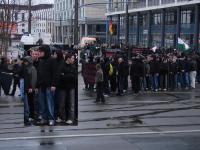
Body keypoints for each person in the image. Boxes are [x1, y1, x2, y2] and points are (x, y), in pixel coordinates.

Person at [37, 45, 56, 126]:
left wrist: (53, 84)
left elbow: (55, 73)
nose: (39, 53)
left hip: (49, 85)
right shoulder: (40, 61)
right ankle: (44, 118)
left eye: (41, 52)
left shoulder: (52, 60)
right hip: (42, 85)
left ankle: (51, 118)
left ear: (45, 52)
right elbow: (39, 74)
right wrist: (37, 85)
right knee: (42, 103)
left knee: (49, 102)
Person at [57, 53, 77, 124]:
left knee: (71, 103)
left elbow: (74, 77)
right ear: (68, 58)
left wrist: (66, 75)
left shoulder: (73, 67)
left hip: (71, 87)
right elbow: (60, 77)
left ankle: (71, 118)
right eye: (72, 58)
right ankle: (63, 117)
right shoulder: (62, 66)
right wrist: (69, 75)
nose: (73, 60)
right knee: (62, 103)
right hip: (63, 87)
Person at [23, 56, 37, 125]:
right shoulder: (27, 68)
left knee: (31, 102)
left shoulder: (32, 68)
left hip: (31, 88)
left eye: (26, 61)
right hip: (28, 88)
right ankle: (30, 115)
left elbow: (33, 79)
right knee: (29, 102)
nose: (25, 62)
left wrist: (32, 88)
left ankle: (32, 115)